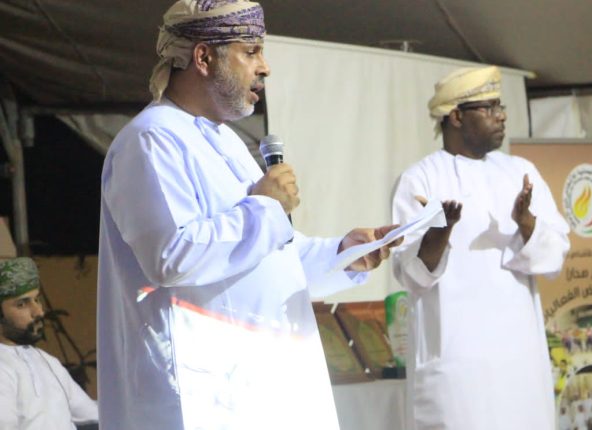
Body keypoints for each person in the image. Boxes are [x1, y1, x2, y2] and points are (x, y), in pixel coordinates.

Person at [97, 1, 401, 429]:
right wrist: (265, 206)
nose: (265, 68)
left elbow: (265, 257)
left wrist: (344, 253)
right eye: (251, 51)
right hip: (206, 396)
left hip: (263, 385)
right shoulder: (151, 139)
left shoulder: (225, 140)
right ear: (204, 58)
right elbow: (171, 257)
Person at [391, 66, 571, 429]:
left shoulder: (521, 171)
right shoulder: (420, 179)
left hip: (520, 366)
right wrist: (441, 231)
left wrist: (526, 221)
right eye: (489, 108)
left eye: (500, 107)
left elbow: (555, 254)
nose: (501, 116)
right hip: (458, 371)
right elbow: (411, 275)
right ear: (456, 117)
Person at [0, 257, 98, 429]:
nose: (38, 312)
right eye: (22, 304)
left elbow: (92, 414)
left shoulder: (47, 361)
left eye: (37, 300)